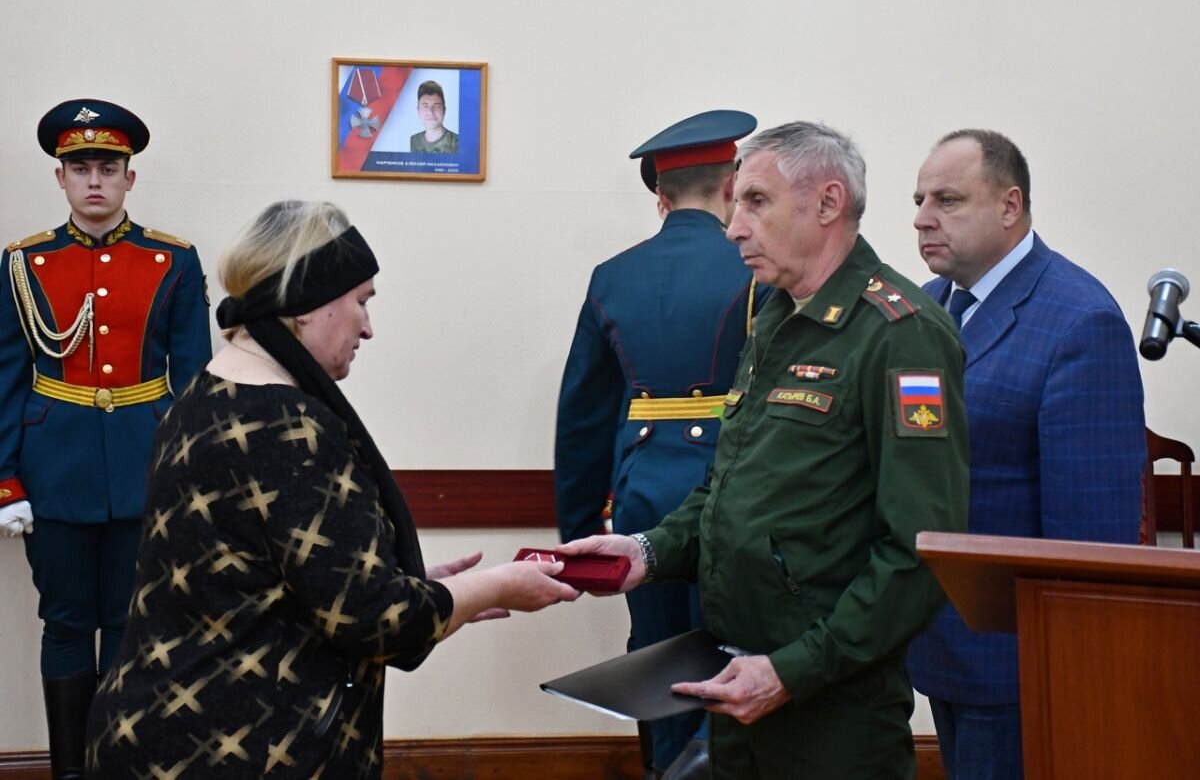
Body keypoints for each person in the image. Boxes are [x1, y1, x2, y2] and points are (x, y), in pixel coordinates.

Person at [84, 201, 579, 778]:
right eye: (362, 301)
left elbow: (270, 579)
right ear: (306, 304)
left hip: (160, 728)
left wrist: (421, 586)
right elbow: (376, 621)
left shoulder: (203, 397)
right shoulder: (287, 427)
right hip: (235, 748)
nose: (368, 327)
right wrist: (497, 584)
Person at [560, 121, 970, 779]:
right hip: (740, 681)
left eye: (755, 201)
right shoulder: (776, 314)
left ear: (828, 203)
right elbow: (729, 484)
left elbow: (920, 550)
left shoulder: (901, 333)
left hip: (829, 707)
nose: (733, 227)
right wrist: (648, 551)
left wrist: (793, 670)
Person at [906, 129, 1146, 780]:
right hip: (938, 646)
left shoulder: (1079, 320)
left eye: (948, 200)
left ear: (1009, 205)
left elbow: (1091, 540)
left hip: (1017, 667)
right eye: (919, 200)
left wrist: (1069, 671)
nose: (923, 217)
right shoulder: (929, 308)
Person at [0, 98, 212, 779]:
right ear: (61, 177)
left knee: (130, 622)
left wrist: (193, 478)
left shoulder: (173, 260)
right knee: (66, 622)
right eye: (81, 168)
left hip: (146, 465)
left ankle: (118, 768)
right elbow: (6, 377)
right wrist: (4, 479)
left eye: (108, 168)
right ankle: (69, 772)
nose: (95, 180)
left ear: (130, 178)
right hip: (53, 470)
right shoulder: (24, 262)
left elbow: (196, 381)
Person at [554, 109, 764, 778]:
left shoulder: (611, 277)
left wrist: (580, 534)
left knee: (658, 655)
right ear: (731, 185)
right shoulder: (757, 269)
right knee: (734, 657)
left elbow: (583, 414)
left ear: (661, 198)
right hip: (734, 493)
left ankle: (667, 767)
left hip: (642, 496)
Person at [409, 80, 459, 154]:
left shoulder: (457, 143)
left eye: (436, 106)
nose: (430, 112)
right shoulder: (413, 141)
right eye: (425, 106)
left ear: (444, 110)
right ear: (418, 110)